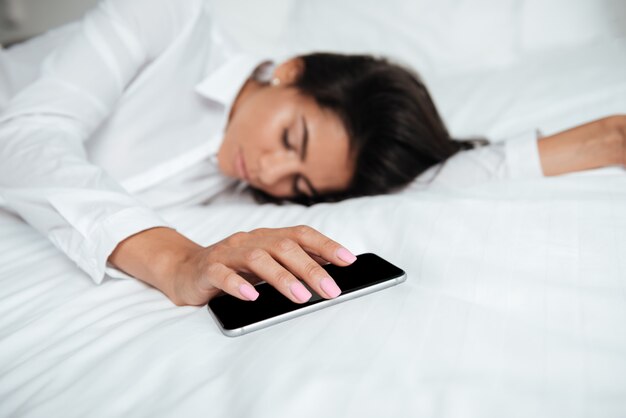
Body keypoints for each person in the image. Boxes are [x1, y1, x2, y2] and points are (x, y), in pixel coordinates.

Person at [0, 0, 624, 307]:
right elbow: (24, 138)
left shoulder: (256, 177)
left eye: (297, 185)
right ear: (291, 70)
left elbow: (420, 184)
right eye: (290, 139)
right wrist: (178, 261)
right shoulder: (167, 20)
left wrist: (601, 141)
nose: (269, 173)